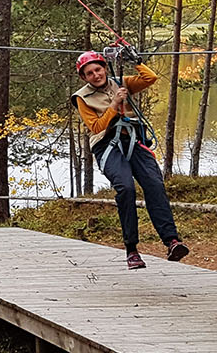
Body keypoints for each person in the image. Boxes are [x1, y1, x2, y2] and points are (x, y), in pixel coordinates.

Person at [70, 47, 188, 270]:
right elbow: (96, 127)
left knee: (154, 184)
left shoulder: (121, 81)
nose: (96, 75)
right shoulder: (81, 98)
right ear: (84, 77)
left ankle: (172, 241)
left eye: (98, 69)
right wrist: (114, 104)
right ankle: (131, 250)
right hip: (107, 145)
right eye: (90, 73)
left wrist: (135, 61)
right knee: (126, 188)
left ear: (105, 68)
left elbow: (150, 78)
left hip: (133, 140)